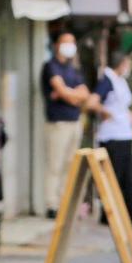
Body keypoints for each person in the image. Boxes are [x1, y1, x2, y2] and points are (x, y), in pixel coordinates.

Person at [41, 32, 100, 218]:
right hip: (58, 123)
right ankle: (52, 205)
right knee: (55, 165)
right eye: (67, 42)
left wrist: (70, 95)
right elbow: (63, 91)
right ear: (57, 44)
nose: (70, 46)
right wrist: (70, 95)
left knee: (69, 166)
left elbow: (84, 94)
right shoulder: (51, 66)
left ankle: (65, 204)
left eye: (73, 42)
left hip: (75, 122)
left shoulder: (73, 68)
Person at [92, 51, 132, 228]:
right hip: (111, 138)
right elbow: (92, 102)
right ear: (122, 64)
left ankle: (128, 219)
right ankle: (109, 216)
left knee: (128, 181)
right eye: (128, 64)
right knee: (113, 180)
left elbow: (123, 111)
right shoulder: (107, 80)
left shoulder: (120, 82)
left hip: (125, 136)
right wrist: (105, 112)